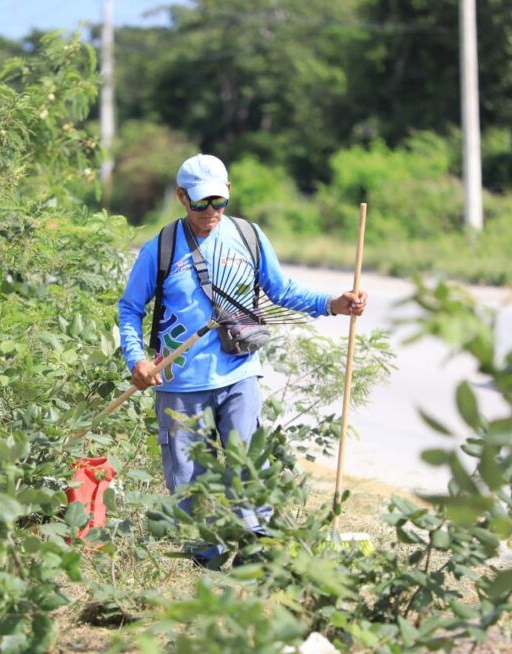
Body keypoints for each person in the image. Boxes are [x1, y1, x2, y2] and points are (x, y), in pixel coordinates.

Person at [117, 154, 367, 567]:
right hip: (179, 383)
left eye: (218, 202)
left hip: (239, 372)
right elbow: (130, 309)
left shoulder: (248, 236)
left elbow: (282, 289)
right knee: (188, 476)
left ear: (229, 193)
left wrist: (333, 304)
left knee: (248, 461)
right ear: (181, 197)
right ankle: (205, 555)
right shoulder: (160, 248)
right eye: (200, 204)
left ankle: (255, 549)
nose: (211, 212)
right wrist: (136, 359)